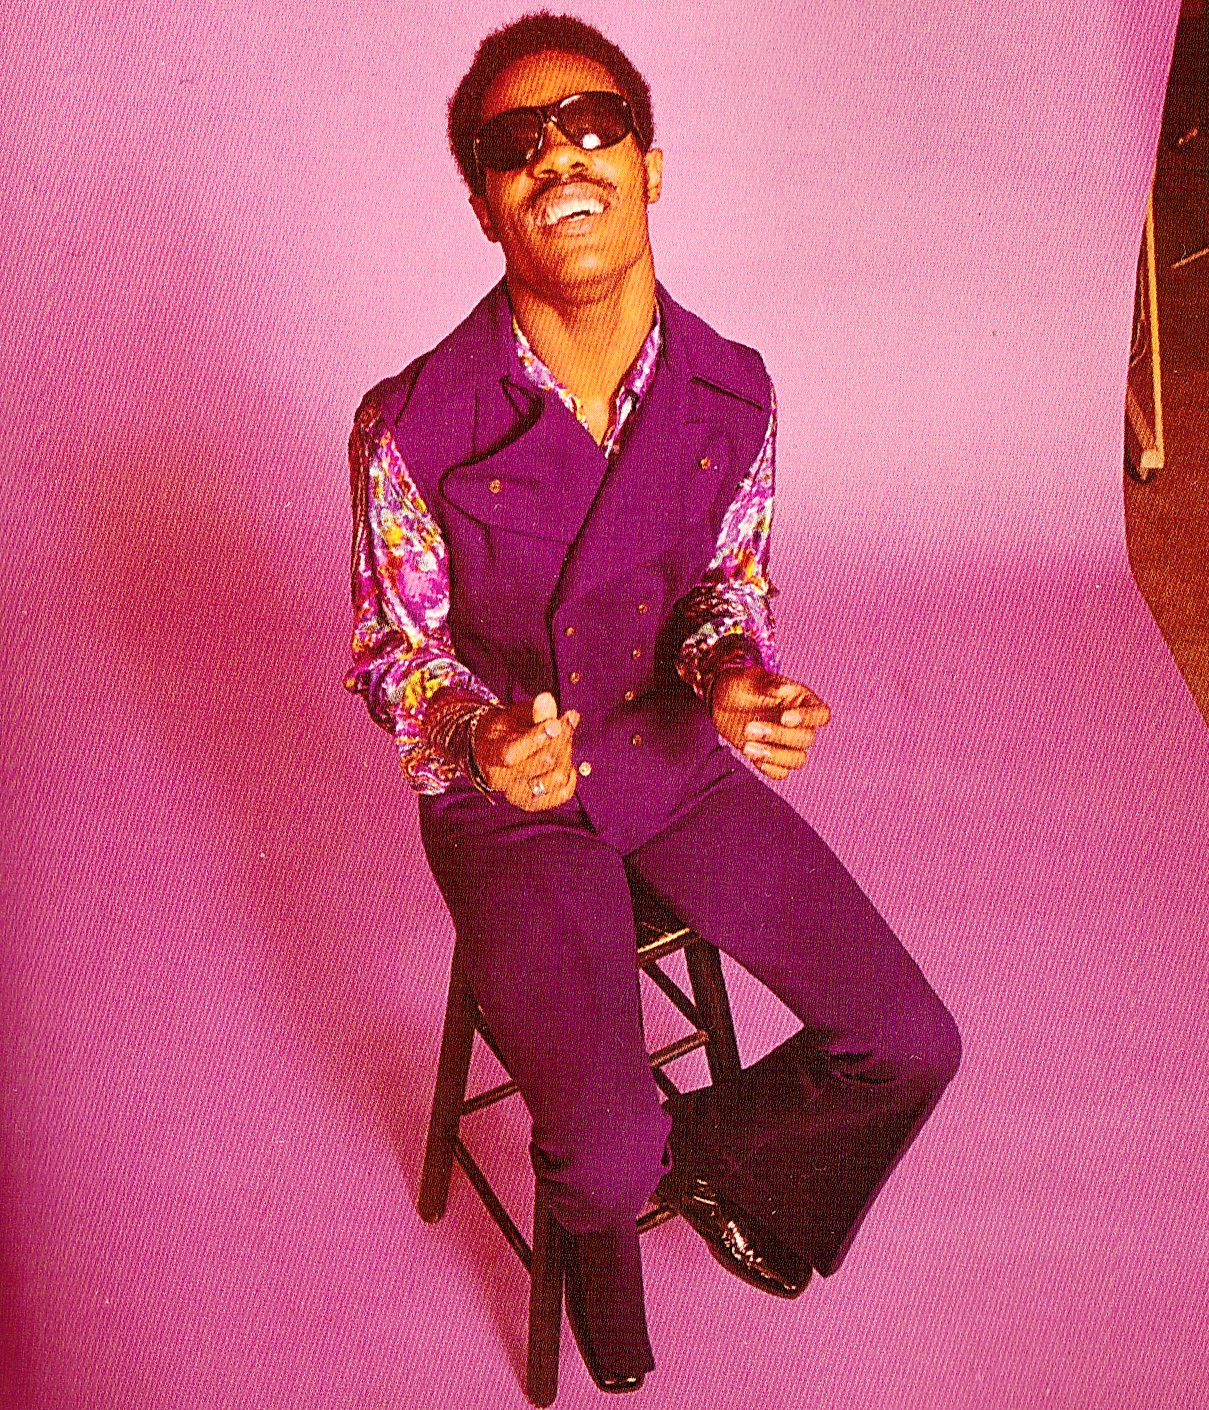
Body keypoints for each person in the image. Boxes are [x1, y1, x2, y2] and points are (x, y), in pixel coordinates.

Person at [345, 12, 961, 1394]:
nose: (558, 157)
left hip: (670, 763)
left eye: (592, 124)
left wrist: (734, 678)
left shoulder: (734, 391)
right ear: (485, 203)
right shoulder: (410, 425)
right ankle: (608, 1213)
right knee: (603, 1155)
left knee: (910, 1041)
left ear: (650, 165)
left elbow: (725, 586)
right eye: (515, 145)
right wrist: (479, 735)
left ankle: (678, 1166)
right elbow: (396, 655)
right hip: (509, 813)